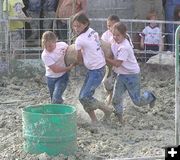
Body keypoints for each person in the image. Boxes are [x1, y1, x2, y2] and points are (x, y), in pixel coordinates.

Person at [106, 22, 156, 123]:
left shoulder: (124, 47)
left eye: (118, 35)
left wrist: (105, 58)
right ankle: (120, 119)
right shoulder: (113, 41)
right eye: (113, 34)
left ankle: (151, 96)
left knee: (137, 101)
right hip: (121, 75)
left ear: (124, 35)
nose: (115, 37)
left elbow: (118, 63)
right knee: (116, 98)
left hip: (132, 75)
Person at [72, 13, 112, 124]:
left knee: (85, 96)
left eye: (78, 26)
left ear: (85, 24)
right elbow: (98, 43)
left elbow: (78, 58)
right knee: (82, 97)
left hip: (96, 70)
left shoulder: (79, 39)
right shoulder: (92, 31)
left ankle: (107, 110)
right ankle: (94, 120)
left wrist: (76, 61)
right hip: (98, 67)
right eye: (74, 26)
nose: (76, 28)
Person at [101, 15, 133, 105]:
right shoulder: (105, 35)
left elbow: (129, 49)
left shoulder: (125, 36)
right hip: (110, 64)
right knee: (105, 82)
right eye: (108, 26)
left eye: (112, 25)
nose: (110, 28)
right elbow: (103, 47)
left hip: (121, 64)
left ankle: (115, 99)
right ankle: (110, 94)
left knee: (117, 84)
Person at [41, 31, 75, 104]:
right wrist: (68, 68)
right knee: (53, 99)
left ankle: (60, 107)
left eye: (50, 46)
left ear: (55, 41)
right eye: (45, 46)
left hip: (63, 76)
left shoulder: (63, 45)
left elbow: (71, 51)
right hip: (50, 77)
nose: (48, 48)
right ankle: (59, 109)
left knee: (56, 97)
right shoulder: (45, 55)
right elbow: (55, 69)